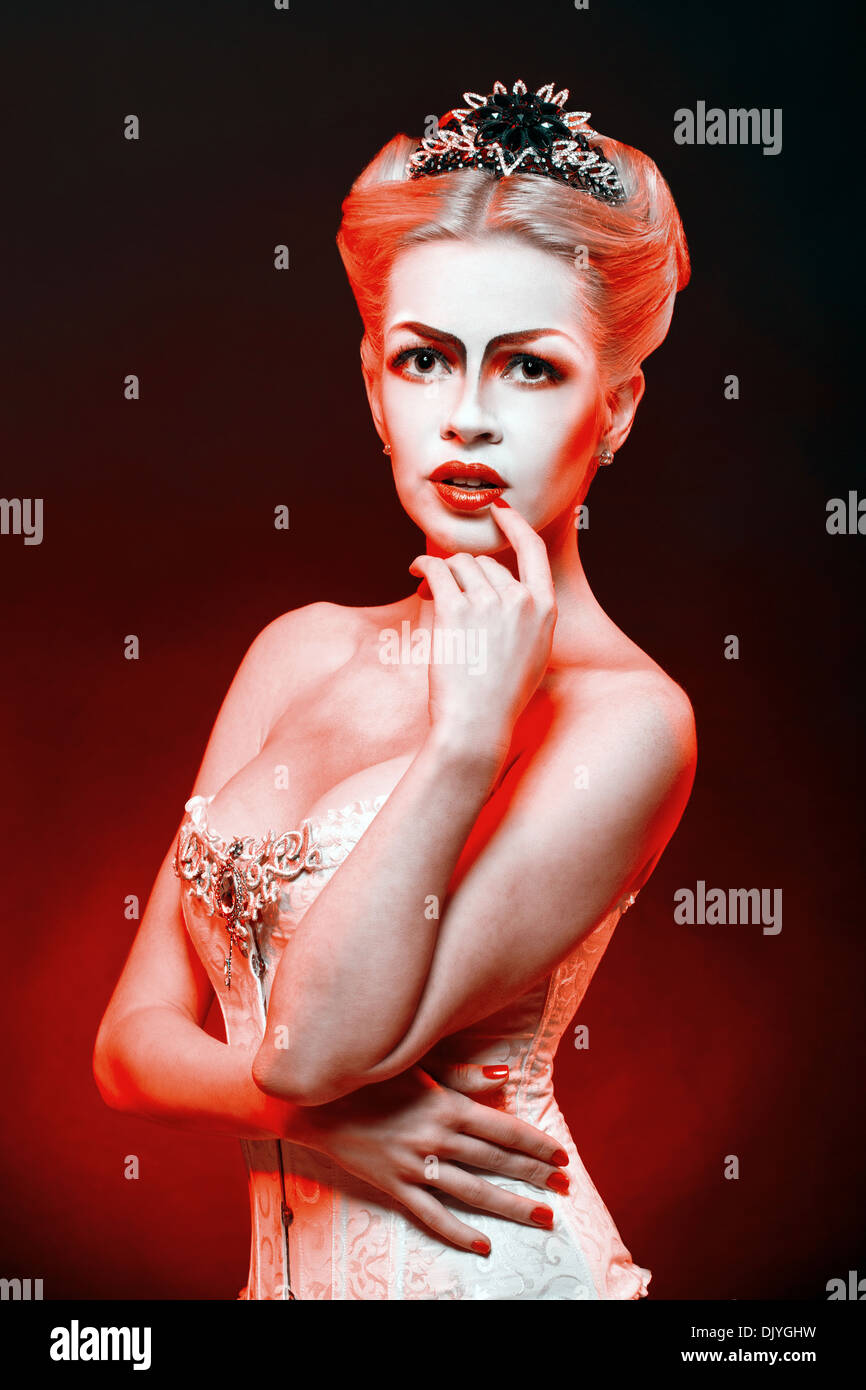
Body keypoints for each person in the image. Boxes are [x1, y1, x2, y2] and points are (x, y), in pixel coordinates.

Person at [94, 78, 696, 1300]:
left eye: (528, 369)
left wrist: (465, 738)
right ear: (374, 387)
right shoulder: (296, 646)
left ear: (615, 407)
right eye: (423, 360)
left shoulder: (627, 719)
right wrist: (318, 1126)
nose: (465, 420)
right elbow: (128, 1044)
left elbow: (314, 1044)